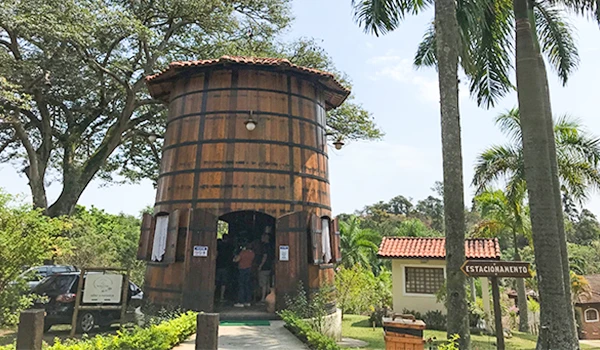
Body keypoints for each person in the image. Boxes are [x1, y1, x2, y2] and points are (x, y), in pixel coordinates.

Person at [233, 240, 255, 307]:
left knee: (241, 285)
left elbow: (236, 260)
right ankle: (248, 301)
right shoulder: (252, 253)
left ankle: (241, 301)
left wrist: (235, 257)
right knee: (247, 285)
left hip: (242, 269)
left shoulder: (242, 253)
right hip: (249, 268)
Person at [215, 234, 233, 302]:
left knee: (216, 282)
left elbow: (216, 254)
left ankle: (213, 296)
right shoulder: (229, 247)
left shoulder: (218, 246)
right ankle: (221, 297)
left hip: (219, 265)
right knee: (223, 283)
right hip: (226, 266)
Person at [258, 233, 273, 302]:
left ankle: (263, 298)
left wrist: (260, 265)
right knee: (267, 283)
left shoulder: (264, 246)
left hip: (264, 267)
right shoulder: (271, 246)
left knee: (263, 283)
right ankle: (268, 297)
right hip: (269, 266)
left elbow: (264, 256)